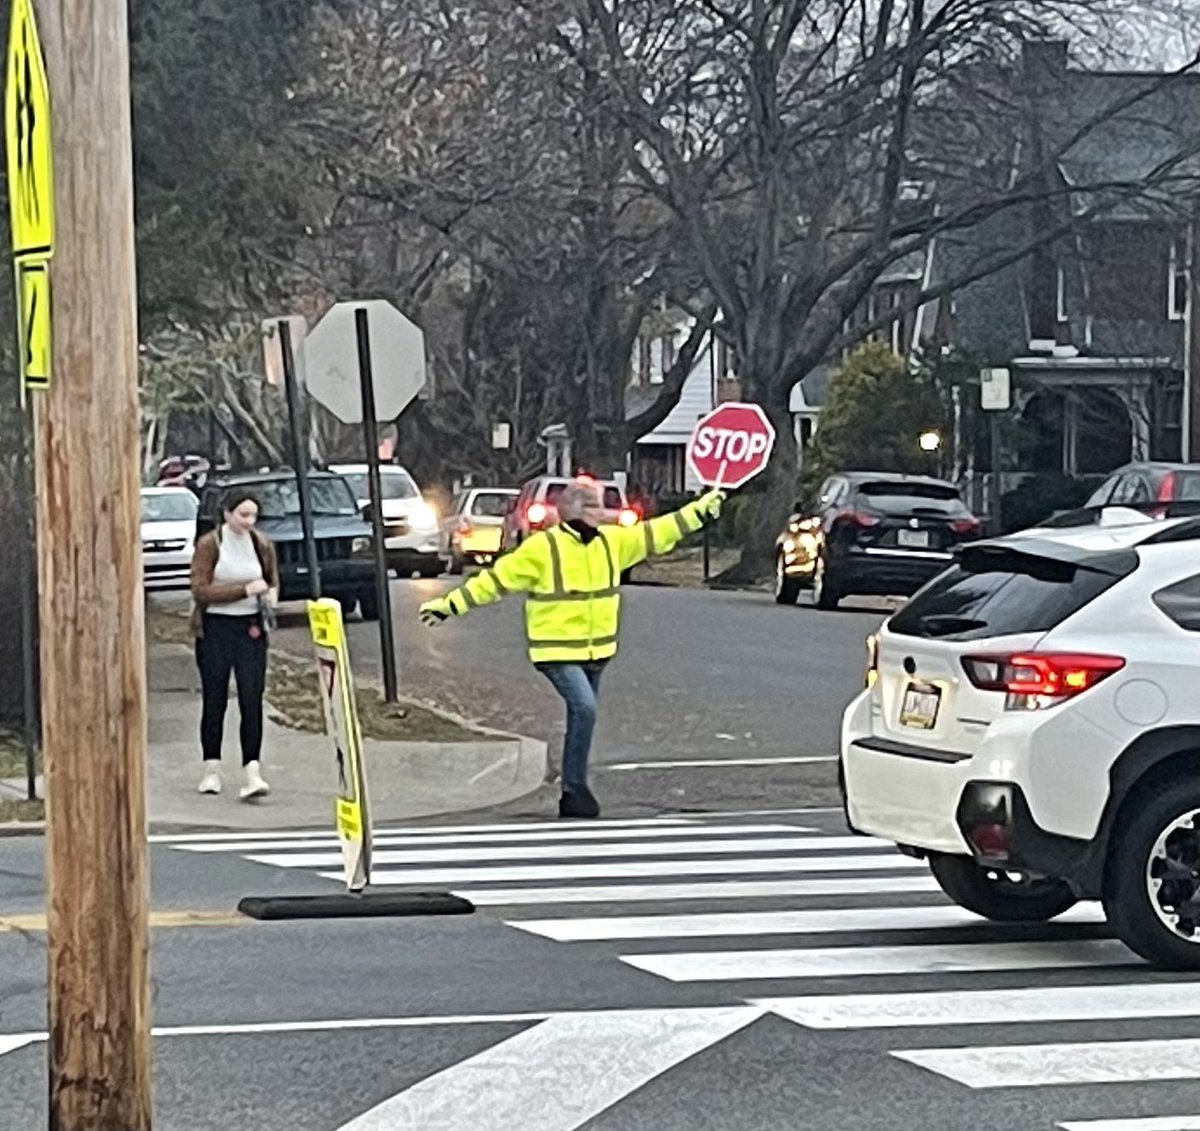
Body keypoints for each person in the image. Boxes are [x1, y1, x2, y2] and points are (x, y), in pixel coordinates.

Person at [418, 479, 724, 818]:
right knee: (585, 708)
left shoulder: (611, 542)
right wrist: (450, 604)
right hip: (556, 651)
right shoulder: (543, 548)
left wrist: (698, 511)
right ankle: (575, 790)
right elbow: (496, 581)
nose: (603, 512)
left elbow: (657, 532)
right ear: (578, 511)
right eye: (595, 506)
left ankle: (573, 790)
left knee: (583, 714)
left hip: (596, 653)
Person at [188, 488, 280, 800]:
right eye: (243, 515)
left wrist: (270, 596)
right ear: (227, 514)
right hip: (216, 628)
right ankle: (211, 768)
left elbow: (271, 580)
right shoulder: (210, 544)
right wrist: (243, 590)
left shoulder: (262, 544)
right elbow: (200, 589)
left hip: (250, 628)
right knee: (215, 698)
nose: (248, 521)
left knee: (252, 697)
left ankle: (252, 770)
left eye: (253, 515)